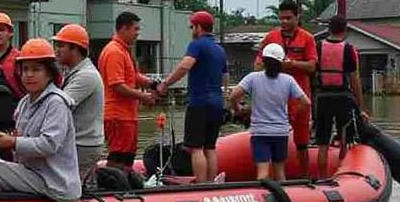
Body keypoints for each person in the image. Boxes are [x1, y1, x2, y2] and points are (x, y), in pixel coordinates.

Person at [0, 38, 81, 202]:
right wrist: (0, 137)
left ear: (49, 73)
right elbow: (22, 135)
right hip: (34, 173)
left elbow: (48, 145)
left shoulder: (56, 103)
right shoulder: (25, 102)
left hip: (54, 182)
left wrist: (12, 142)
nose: (29, 75)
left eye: (36, 70)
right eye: (25, 69)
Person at [156, 11, 228, 182]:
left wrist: (165, 84)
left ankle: (201, 186)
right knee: (210, 147)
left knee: (196, 148)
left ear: (198, 27)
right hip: (217, 103)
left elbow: (185, 65)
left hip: (199, 102)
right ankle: (212, 184)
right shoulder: (220, 49)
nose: (191, 30)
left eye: (192, 27)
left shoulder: (197, 44)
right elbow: (225, 77)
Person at [255, 0, 318, 179]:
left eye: (288, 18)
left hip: (299, 98)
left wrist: (291, 64)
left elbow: (312, 66)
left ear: (297, 17)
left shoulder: (307, 38)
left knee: (302, 143)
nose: (284, 22)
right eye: (281, 18)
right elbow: (258, 61)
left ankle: (305, 180)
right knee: (271, 139)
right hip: (274, 98)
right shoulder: (271, 37)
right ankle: (272, 181)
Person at [230, 42, 310, 181]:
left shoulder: (253, 78)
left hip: (260, 132)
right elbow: (306, 102)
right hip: (281, 132)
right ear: (281, 61)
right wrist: (292, 115)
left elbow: (233, 96)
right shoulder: (288, 80)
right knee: (280, 172)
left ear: (264, 60)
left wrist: (238, 109)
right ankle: (283, 200)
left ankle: (263, 198)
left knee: (263, 172)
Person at [97, 11, 157, 171]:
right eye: (135, 29)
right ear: (123, 29)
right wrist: (143, 96)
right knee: (119, 156)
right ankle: (113, 187)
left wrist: (152, 84)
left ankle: (125, 185)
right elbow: (117, 84)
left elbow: (133, 75)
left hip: (127, 114)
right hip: (117, 114)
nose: (137, 33)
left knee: (128, 155)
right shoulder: (114, 52)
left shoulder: (123, 50)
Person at [315, 14, 370, 179]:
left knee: (323, 143)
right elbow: (355, 80)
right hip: (343, 99)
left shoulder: (318, 47)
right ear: (345, 30)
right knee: (344, 140)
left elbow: (312, 75)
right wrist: (360, 108)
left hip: (322, 97)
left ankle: (323, 178)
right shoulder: (349, 49)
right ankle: (343, 177)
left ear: (328, 29)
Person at [52, 23, 104, 187]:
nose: (56, 50)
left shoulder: (86, 76)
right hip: (79, 142)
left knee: (67, 187)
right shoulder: (74, 72)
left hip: (83, 145)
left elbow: (58, 106)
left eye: (61, 46)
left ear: (75, 49)